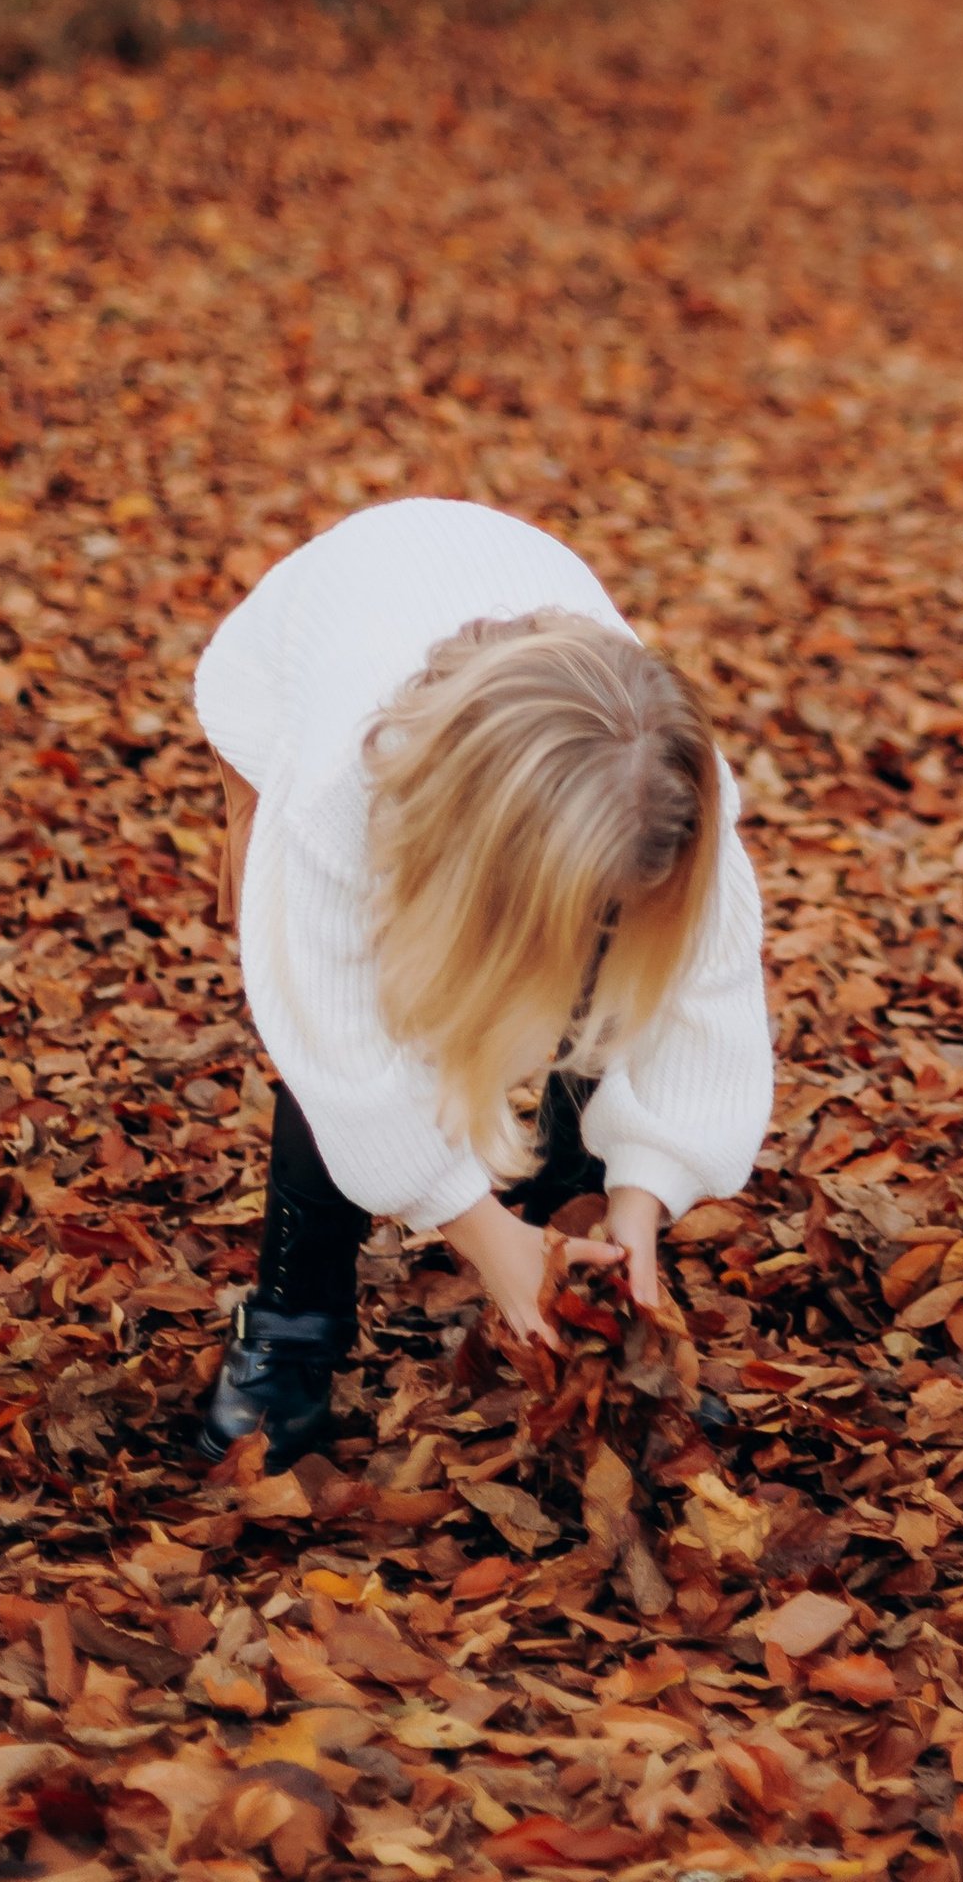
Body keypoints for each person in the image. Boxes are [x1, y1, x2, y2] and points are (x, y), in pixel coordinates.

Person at [192, 498, 772, 1465]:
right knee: (356, 1003)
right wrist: (484, 1237)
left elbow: (702, 1005)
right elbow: (337, 1043)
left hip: (530, 749)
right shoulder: (336, 803)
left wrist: (642, 1198)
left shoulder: (671, 793)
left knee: (599, 968)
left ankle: (575, 1239)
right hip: (297, 668)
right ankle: (292, 1323)